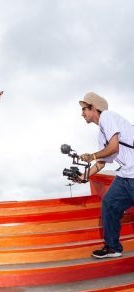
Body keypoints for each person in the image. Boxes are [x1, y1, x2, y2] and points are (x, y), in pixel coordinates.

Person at [77, 91, 134, 259]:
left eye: (84, 109)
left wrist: (92, 155)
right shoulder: (101, 132)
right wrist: (83, 176)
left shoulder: (107, 117)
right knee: (109, 203)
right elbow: (102, 162)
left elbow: (113, 148)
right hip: (126, 175)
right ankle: (112, 247)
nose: (82, 114)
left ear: (94, 108)